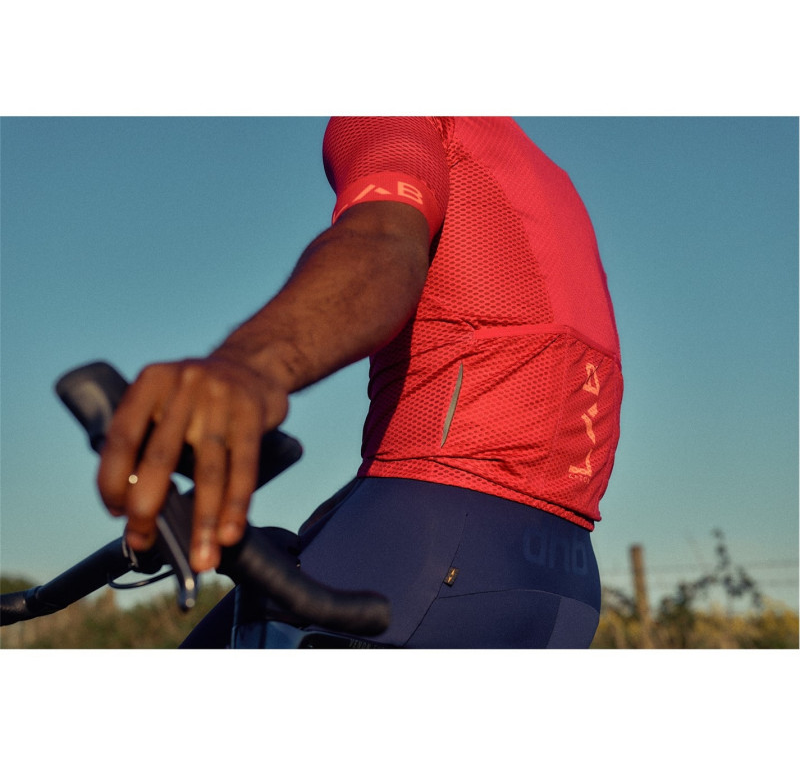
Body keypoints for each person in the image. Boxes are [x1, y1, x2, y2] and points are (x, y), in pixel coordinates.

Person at [97, 117, 623, 648]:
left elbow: (383, 238)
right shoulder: (539, 170)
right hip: (566, 581)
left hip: (431, 547)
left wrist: (248, 365)